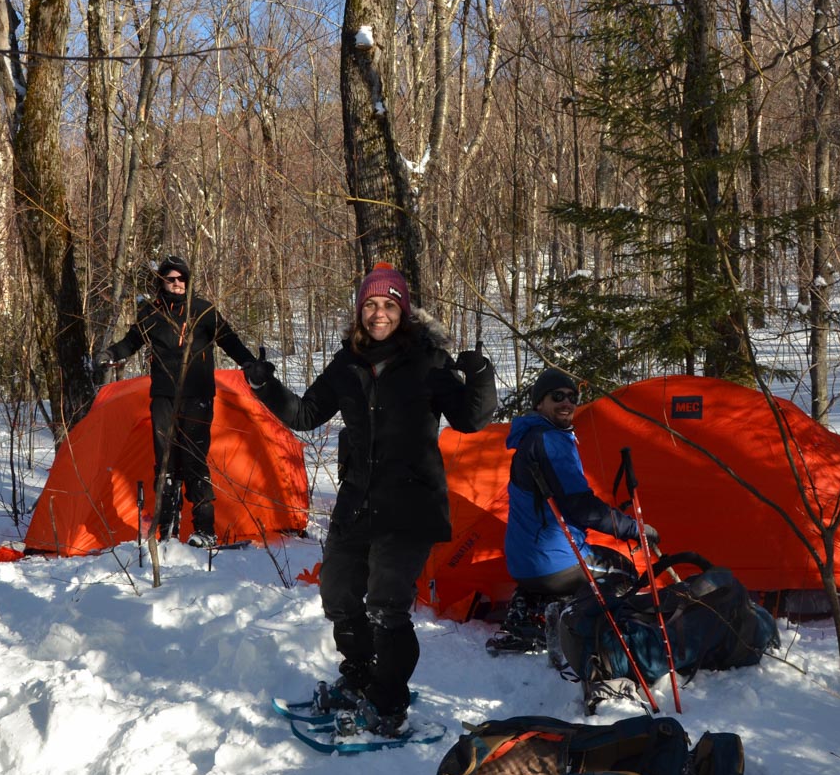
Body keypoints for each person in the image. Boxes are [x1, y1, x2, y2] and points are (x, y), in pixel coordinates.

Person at [244, 264, 496, 737]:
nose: (379, 313)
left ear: (403, 310)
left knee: (387, 604)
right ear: (360, 312)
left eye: (389, 304)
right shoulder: (348, 362)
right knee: (338, 591)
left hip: (410, 505)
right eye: (371, 305)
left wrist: (481, 375)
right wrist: (265, 386)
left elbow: (470, 419)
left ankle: (389, 700)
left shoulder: (427, 361)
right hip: (358, 501)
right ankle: (359, 673)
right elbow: (305, 414)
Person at [490, 366, 659, 653]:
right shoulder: (550, 441)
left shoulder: (530, 439)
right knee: (625, 572)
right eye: (557, 396)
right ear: (539, 403)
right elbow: (581, 508)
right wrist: (634, 529)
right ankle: (574, 624)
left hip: (521, 565)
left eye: (572, 397)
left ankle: (526, 615)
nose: (567, 402)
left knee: (577, 562)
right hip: (554, 563)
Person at [102, 255, 256, 548]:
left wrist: (249, 363)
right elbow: (132, 341)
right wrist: (111, 354)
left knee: (195, 461)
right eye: (170, 279)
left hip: (197, 396)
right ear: (162, 282)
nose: (177, 284)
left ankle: (205, 531)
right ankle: (167, 532)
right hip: (163, 397)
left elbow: (229, 340)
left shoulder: (203, 310)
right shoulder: (150, 313)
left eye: (181, 279)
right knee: (165, 464)